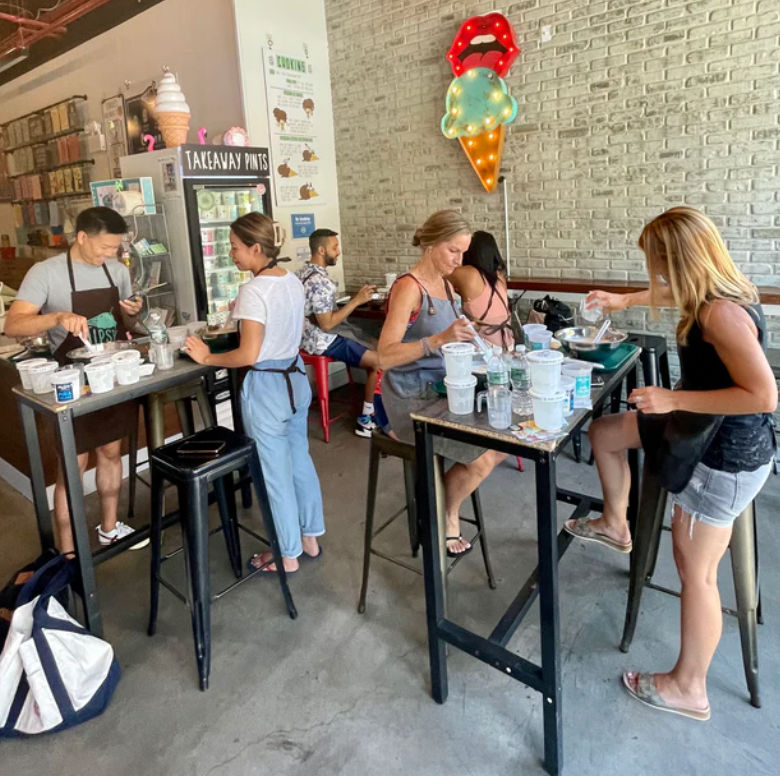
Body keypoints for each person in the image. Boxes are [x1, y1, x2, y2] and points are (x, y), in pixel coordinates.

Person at [564, 207, 777, 721]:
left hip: (724, 453)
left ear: (678, 259)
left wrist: (673, 400)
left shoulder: (719, 314)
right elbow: (669, 293)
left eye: (657, 264)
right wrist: (623, 299)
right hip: (699, 429)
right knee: (606, 432)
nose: (655, 275)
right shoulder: (712, 289)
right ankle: (617, 524)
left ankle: (690, 688)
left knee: (695, 570)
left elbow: (763, 395)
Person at [184, 212, 324, 574]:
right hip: (295, 378)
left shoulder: (253, 290)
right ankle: (309, 538)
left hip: (267, 386)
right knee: (300, 461)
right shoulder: (291, 280)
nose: (230, 254)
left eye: (234, 247)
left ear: (256, 248)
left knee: (274, 473)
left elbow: (248, 354)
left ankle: (285, 554)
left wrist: (208, 356)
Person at [5, 206, 144, 553]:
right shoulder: (46, 273)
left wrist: (133, 313)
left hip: (112, 376)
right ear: (82, 237)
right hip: (72, 381)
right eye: (105, 247)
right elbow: (13, 324)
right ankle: (68, 551)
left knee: (112, 452)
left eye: (116, 248)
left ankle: (109, 528)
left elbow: (124, 328)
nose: (111, 255)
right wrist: (56, 316)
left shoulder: (116, 270)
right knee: (73, 465)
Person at [377, 210, 506, 557]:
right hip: (410, 399)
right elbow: (384, 357)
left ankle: (438, 502)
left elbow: (450, 336)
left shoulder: (448, 284)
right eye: (453, 251)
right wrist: (437, 341)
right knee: (481, 458)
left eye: (463, 252)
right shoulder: (408, 288)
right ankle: (444, 514)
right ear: (431, 244)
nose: (459, 259)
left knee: (503, 439)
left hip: (443, 388)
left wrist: (471, 333)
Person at [297, 228, 380, 437]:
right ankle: (366, 420)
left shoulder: (303, 273)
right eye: (335, 247)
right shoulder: (320, 282)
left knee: (374, 342)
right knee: (380, 361)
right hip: (322, 340)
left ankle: (374, 405)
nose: (339, 251)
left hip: (305, 337)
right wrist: (357, 301)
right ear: (321, 250)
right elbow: (326, 325)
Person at [448, 230, 514, 349]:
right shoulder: (500, 277)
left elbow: (438, 276)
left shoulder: (467, 274)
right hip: (508, 343)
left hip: (484, 347)